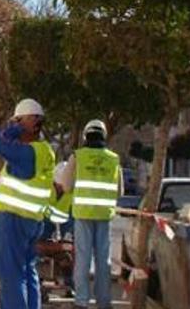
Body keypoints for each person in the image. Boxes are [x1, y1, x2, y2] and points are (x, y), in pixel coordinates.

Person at [0, 98, 56, 309]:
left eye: (18, 121)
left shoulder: (27, 153)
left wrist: (17, 128)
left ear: (30, 122)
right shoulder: (45, 150)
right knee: (28, 273)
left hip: (13, 220)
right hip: (33, 221)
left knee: (10, 276)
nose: (14, 127)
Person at [62, 119, 123, 309]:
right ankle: (104, 302)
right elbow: (120, 191)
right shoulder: (113, 159)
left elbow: (66, 185)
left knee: (83, 259)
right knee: (103, 261)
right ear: (104, 136)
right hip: (104, 216)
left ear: (85, 136)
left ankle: (81, 301)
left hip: (83, 215)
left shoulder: (77, 157)